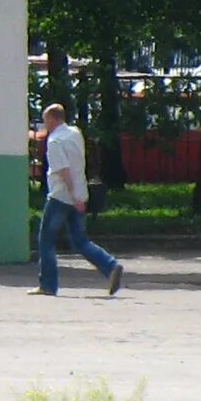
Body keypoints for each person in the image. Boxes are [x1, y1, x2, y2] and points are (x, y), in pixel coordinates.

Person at [34, 102, 124, 297]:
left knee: (46, 241)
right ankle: (110, 266)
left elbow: (64, 170)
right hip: (80, 193)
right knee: (80, 240)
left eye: (45, 120)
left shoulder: (54, 141)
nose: (44, 124)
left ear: (52, 119)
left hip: (61, 196)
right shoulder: (75, 133)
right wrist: (79, 197)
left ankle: (48, 285)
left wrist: (73, 196)